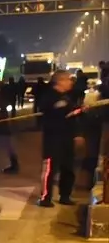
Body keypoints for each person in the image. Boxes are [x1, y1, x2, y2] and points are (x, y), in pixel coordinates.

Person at [37, 70, 82, 207]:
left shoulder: (67, 97)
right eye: (68, 79)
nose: (71, 82)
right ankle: (46, 197)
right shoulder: (49, 97)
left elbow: (72, 115)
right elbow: (47, 116)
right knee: (50, 169)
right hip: (53, 139)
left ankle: (65, 195)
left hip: (67, 139)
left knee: (68, 168)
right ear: (60, 81)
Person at [0, 79, 20, 173]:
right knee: (5, 145)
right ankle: (14, 165)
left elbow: (0, 112)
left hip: (2, 127)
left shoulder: (1, 100)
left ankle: (14, 165)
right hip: (0, 126)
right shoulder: (2, 99)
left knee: (7, 145)